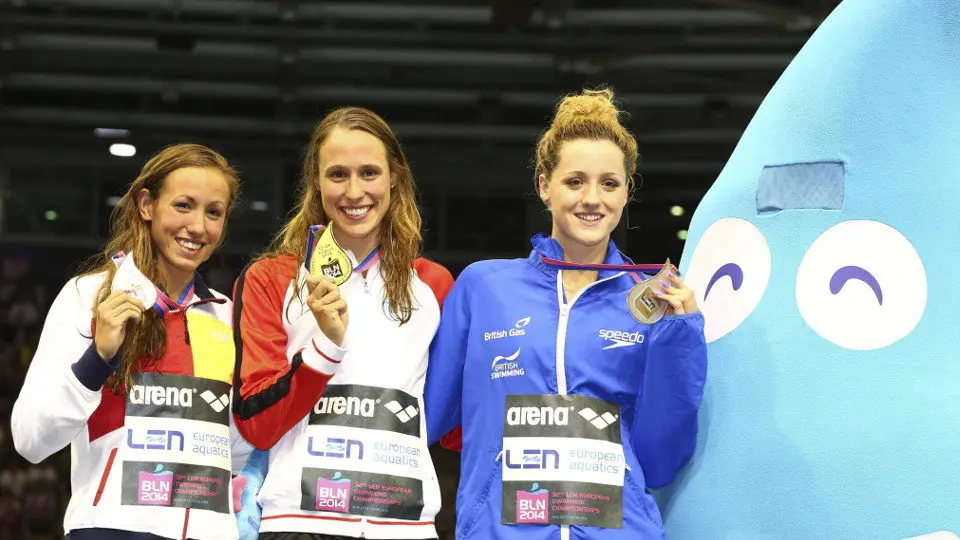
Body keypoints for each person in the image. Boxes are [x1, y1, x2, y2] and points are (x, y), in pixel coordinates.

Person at [423, 88, 708, 539]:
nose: (592, 199)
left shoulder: (652, 305)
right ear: (544, 185)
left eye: (609, 183)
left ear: (626, 192)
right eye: (575, 181)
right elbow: (426, 419)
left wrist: (681, 336)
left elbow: (660, 460)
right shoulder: (483, 287)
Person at [231, 106, 454, 540]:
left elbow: (452, 419)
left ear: (395, 177)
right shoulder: (273, 278)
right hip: (299, 523)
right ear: (315, 181)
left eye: (369, 172)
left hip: (403, 527)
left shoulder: (434, 284)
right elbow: (258, 424)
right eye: (338, 175)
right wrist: (323, 350)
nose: (355, 192)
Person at [11, 143, 249, 540]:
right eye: (183, 205)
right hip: (111, 530)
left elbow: (236, 445)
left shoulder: (228, 316)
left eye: (214, 212)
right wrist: (97, 359)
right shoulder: (89, 297)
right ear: (146, 205)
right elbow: (30, 439)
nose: (198, 227)